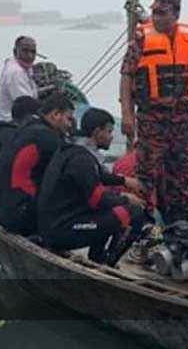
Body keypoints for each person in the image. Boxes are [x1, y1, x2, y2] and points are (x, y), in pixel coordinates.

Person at [119, 0, 188, 222]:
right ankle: (143, 223)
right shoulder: (142, 38)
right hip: (151, 117)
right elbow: (126, 76)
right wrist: (127, 115)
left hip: (180, 117)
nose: (157, 17)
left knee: (181, 172)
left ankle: (176, 221)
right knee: (147, 172)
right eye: (154, 13)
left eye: (162, 13)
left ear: (176, 14)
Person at [38, 108, 147, 265]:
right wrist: (127, 198)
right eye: (109, 132)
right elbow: (98, 199)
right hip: (61, 230)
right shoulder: (82, 159)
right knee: (134, 213)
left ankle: (98, 256)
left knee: (108, 210)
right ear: (97, 132)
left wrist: (125, 181)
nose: (111, 137)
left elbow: (99, 176)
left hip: (53, 224)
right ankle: (108, 263)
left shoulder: (73, 150)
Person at [0, 92, 74, 235]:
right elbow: (72, 172)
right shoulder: (48, 138)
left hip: (2, 209)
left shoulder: (27, 129)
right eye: (68, 119)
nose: (69, 125)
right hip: (20, 216)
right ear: (56, 114)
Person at [0, 36, 39, 122]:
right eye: (25, 51)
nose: (30, 56)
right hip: (10, 123)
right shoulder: (16, 72)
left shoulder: (23, 66)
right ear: (15, 52)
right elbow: (26, 105)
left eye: (33, 52)